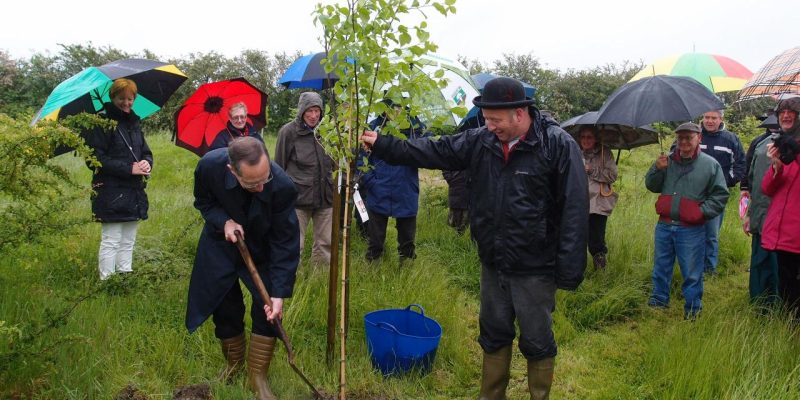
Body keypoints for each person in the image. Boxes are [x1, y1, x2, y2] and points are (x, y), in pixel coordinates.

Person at [361, 77, 588, 400]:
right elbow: (435, 149)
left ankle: (539, 395)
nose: (490, 126)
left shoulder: (557, 145)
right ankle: (491, 395)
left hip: (536, 266)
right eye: (486, 119)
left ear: (520, 113)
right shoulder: (481, 140)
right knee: (493, 334)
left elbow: (575, 208)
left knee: (537, 339)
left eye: (496, 120)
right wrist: (383, 144)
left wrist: (569, 269)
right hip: (493, 261)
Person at [185, 137, 300, 400]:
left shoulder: (282, 187)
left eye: (264, 179)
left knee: (267, 306)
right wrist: (223, 221)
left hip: (262, 249)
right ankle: (234, 365)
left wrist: (279, 293)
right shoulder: (209, 167)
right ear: (232, 171)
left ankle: (257, 376)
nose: (261, 188)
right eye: (251, 183)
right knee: (224, 303)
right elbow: (204, 202)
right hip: (220, 243)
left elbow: (286, 242)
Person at [645, 122, 729, 319]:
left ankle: (692, 309)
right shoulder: (666, 161)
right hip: (664, 225)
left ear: (698, 138)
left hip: (691, 229)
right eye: (680, 137)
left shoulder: (710, 165)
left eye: (688, 137)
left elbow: (720, 195)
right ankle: (658, 302)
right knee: (660, 267)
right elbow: (651, 185)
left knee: (692, 272)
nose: (683, 141)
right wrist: (657, 169)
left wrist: (701, 213)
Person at [85, 78, 152, 281]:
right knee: (111, 239)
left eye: (130, 99)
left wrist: (147, 163)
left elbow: (146, 151)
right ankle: (107, 280)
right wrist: (128, 168)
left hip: (134, 191)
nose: (126, 103)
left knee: (128, 239)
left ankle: (125, 277)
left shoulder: (134, 123)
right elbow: (94, 159)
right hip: (110, 191)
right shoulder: (102, 123)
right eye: (122, 98)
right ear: (113, 97)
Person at [361, 106, 429, 263]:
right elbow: (361, 159)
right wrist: (371, 181)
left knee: (407, 240)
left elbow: (427, 150)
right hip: (378, 189)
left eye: (400, 107)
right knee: (375, 240)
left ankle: (407, 270)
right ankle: (372, 267)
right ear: (384, 108)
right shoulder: (372, 127)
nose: (396, 111)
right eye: (392, 107)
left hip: (406, 188)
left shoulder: (415, 128)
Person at [275, 92, 334, 266]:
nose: (313, 115)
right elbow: (279, 166)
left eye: (317, 111)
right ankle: (292, 280)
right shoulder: (288, 132)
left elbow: (336, 163)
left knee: (325, 243)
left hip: (326, 197)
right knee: (295, 243)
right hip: (298, 198)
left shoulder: (328, 132)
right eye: (309, 111)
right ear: (301, 111)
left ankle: (319, 281)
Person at [761, 97, 800, 317]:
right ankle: (789, 329)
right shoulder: (782, 144)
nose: (785, 115)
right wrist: (776, 167)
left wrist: (796, 154)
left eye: (791, 111)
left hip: (796, 230)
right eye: (782, 111)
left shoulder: (793, 147)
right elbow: (768, 189)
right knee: (786, 284)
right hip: (784, 232)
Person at [698, 110, 746, 275]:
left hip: (716, 194)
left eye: (713, 118)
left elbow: (741, 163)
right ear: (702, 118)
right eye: (707, 117)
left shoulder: (731, 139)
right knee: (690, 231)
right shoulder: (693, 135)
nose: (709, 121)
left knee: (711, 233)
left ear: (720, 119)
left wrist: (727, 182)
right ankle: (690, 266)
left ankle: (709, 270)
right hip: (692, 192)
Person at [741, 114, 780, 308]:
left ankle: (780, 306)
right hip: (761, 218)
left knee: (780, 267)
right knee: (760, 263)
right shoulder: (761, 144)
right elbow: (754, 183)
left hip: (785, 225)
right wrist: (749, 214)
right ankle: (759, 305)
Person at [578, 127, 618, 269]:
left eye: (589, 137)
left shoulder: (604, 152)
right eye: (583, 136)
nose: (585, 140)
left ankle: (600, 273)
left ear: (595, 138)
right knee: (577, 238)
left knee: (596, 240)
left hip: (598, 203)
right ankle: (576, 272)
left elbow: (612, 175)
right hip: (578, 202)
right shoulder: (575, 151)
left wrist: (591, 170)